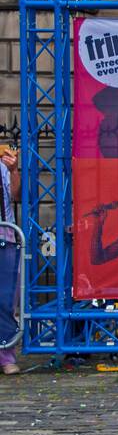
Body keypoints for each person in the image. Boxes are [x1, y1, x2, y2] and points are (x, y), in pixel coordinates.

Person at [0, 143, 20, 374]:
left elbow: (16, 194)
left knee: (5, 300)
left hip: (4, 236)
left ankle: (6, 354)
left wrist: (14, 170)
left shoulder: (3, 163)